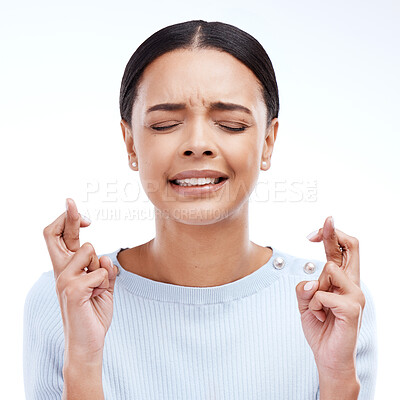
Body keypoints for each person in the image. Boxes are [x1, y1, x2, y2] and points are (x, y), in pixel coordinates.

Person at [23, 20, 377, 399]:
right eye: (165, 124)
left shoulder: (333, 303)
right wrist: (85, 359)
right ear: (130, 143)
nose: (197, 143)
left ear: (268, 142)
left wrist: (338, 375)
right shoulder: (67, 298)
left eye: (230, 124)